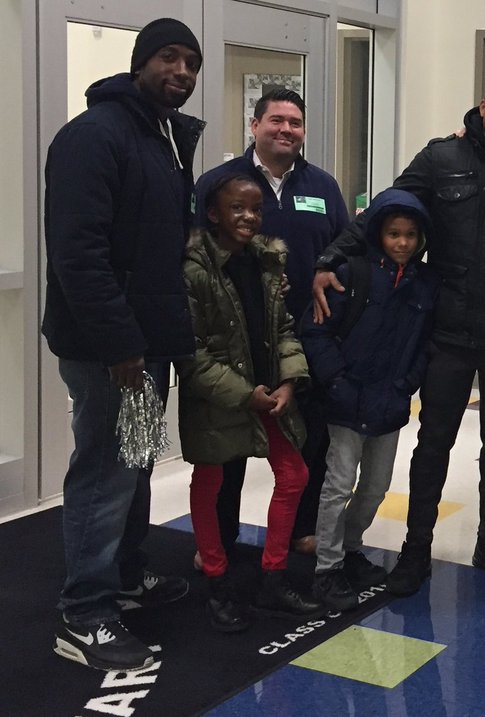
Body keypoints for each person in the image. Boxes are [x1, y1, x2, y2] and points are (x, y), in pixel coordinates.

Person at [312, 74, 485, 595]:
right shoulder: (440, 157)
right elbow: (384, 209)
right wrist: (329, 259)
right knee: (433, 442)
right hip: (446, 327)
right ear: (482, 105)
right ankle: (416, 548)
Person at [43, 17, 203, 671]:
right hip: (109, 348)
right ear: (140, 63)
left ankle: (124, 575)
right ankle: (85, 612)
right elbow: (78, 254)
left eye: (192, 63)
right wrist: (121, 347)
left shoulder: (161, 138)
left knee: (135, 460)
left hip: (145, 342)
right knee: (106, 472)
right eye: (170, 57)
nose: (183, 73)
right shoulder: (94, 136)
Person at [194, 89, 350, 566]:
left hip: (306, 335)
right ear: (254, 124)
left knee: (308, 440)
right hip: (234, 341)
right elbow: (195, 250)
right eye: (276, 120)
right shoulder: (219, 183)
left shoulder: (322, 186)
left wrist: (327, 264)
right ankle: (219, 540)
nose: (286, 129)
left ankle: (303, 530)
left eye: (296, 122)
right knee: (230, 446)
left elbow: (345, 243)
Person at [181, 174, 323, 632]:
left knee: (294, 473)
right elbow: (192, 354)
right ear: (213, 214)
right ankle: (218, 585)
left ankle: (273, 578)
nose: (248, 217)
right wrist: (245, 395)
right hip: (220, 399)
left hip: (269, 395)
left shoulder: (266, 263)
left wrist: (288, 381)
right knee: (211, 482)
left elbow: (282, 330)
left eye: (256, 209)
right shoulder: (192, 270)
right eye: (237, 208)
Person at [300, 189, 438, 610]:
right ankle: (327, 568)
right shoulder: (350, 273)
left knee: (376, 487)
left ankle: (351, 547)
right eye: (393, 233)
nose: (402, 243)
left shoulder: (424, 285)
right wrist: (337, 382)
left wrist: (406, 385)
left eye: (411, 235)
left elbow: (424, 345)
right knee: (337, 484)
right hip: (346, 402)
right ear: (378, 233)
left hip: (390, 404)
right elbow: (316, 331)